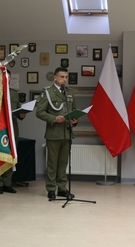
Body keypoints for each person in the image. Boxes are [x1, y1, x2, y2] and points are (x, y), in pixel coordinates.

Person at [36, 67, 78, 199]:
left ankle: (61, 188)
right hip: (54, 133)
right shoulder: (48, 92)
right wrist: (54, 118)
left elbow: (74, 110)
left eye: (66, 77)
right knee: (52, 163)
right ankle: (51, 189)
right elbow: (40, 112)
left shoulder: (69, 93)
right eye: (61, 77)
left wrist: (75, 120)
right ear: (55, 78)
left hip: (66, 132)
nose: (64, 79)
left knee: (63, 162)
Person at [0, 69, 26, 194]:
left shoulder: (14, 94)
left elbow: (18, 111)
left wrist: (22, 114)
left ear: (10, 79)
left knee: (11, 155)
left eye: (7, 78)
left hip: (12, 128)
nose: (5, 80)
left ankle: (7, 183)